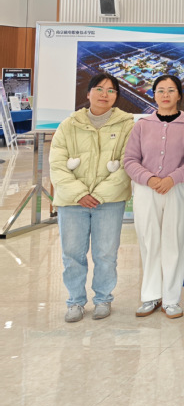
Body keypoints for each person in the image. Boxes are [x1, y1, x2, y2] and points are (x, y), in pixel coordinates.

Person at [50, 73, 134, 322]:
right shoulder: (68, 125)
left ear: (116, 97)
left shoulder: (127, 125)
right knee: (72, 254)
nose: (104, 94)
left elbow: (127, 165)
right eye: (99, 89)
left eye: (111, 90)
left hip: (109, 202)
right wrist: (79, 194)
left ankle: (103, 299)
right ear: (88, 94)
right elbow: (57, 165)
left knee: (106, 253)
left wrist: (97, 195)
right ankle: (75, 301)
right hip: (72, 202)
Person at [123, 74, 184, 319]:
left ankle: (171, 299)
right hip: (147, 190)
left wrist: (172, 179)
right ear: (153, 95)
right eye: (160, 90)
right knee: (149, 241)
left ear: (179, 95)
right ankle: (150, 296)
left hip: (178, 189)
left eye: (171, 90)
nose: (165, 95)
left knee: (175, 243)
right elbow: (130, 159)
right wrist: (149, 179)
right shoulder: (142, 125)